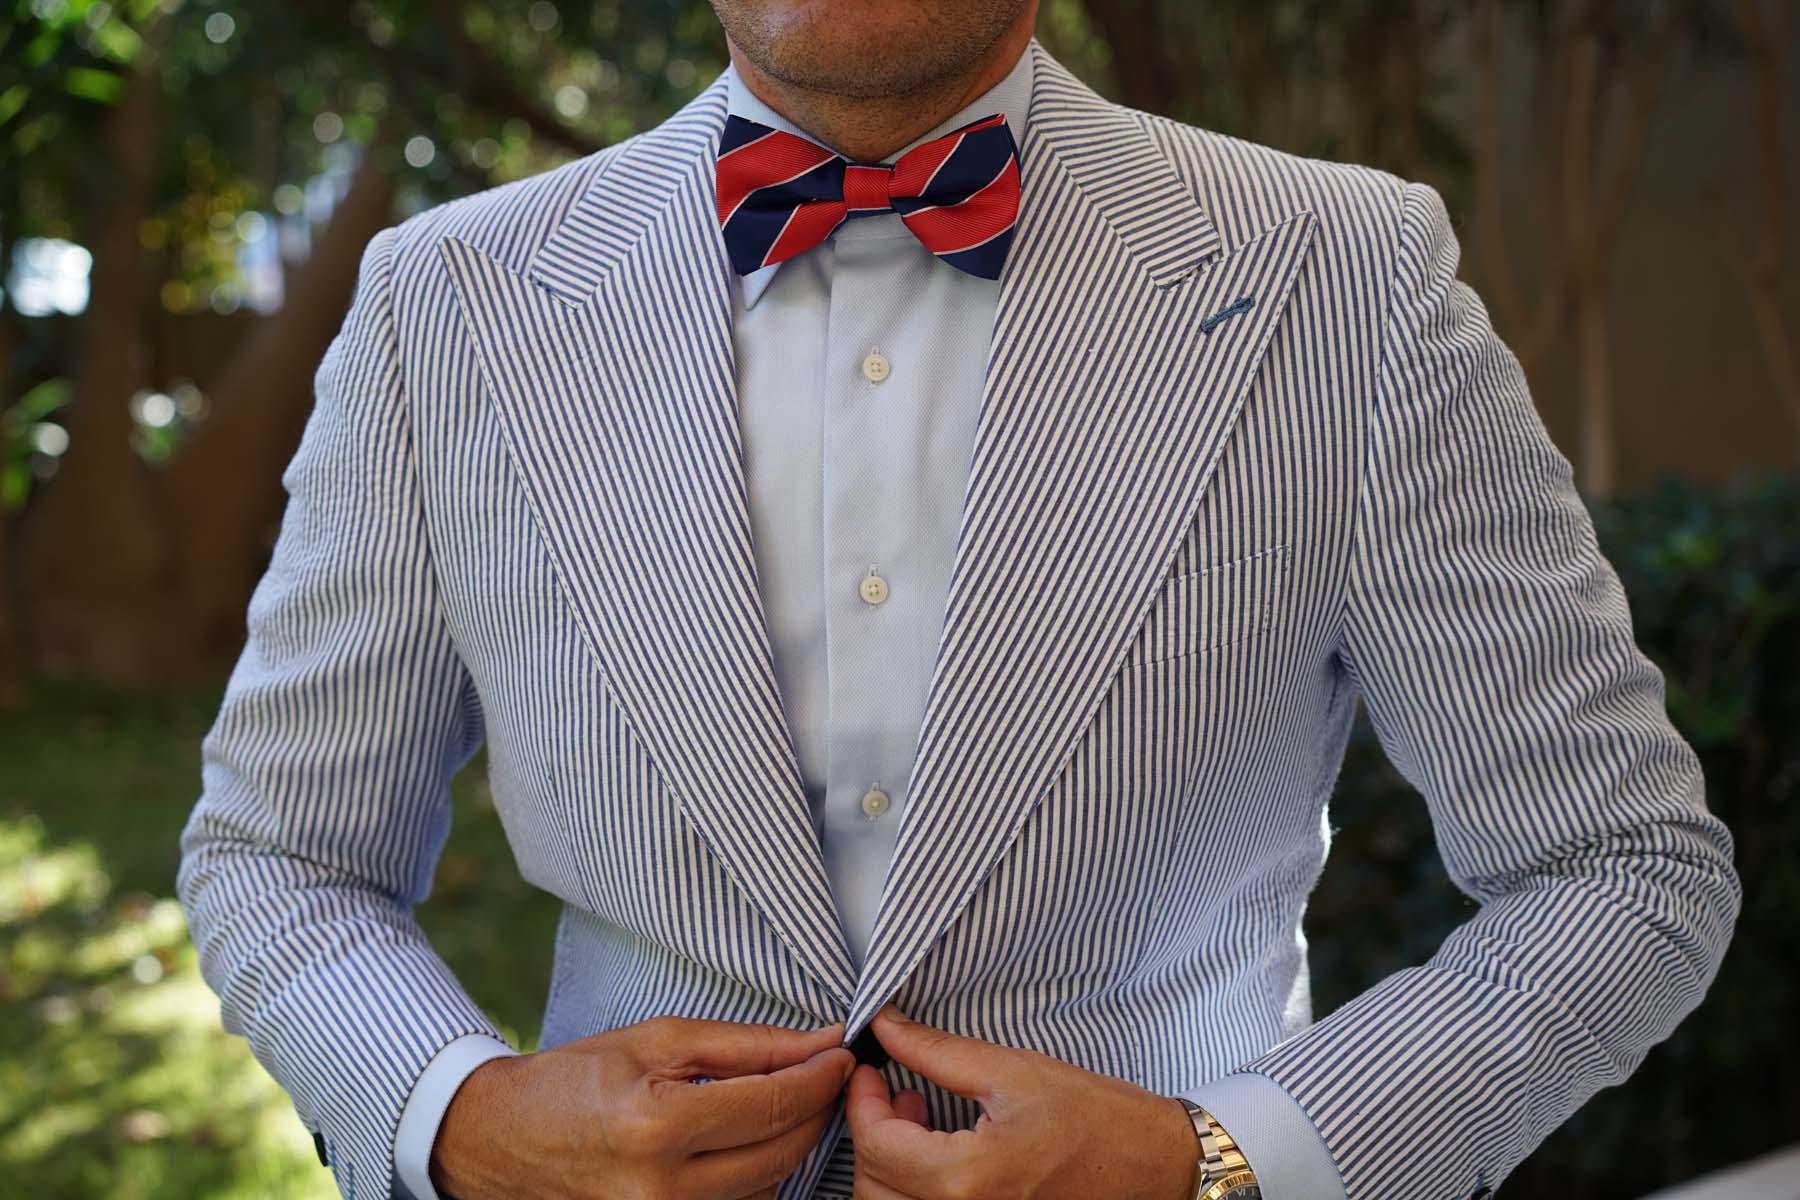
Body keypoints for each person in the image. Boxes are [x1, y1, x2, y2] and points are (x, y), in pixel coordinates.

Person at [175, 2, 1742, 1198]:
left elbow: (1619, 866)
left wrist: (1222, 1159)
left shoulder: (1345, 278)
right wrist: (461, 1120)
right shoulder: (446, 303)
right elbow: (280, 853)